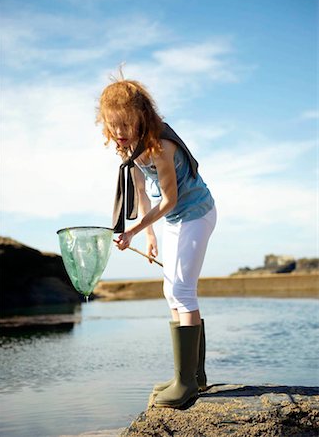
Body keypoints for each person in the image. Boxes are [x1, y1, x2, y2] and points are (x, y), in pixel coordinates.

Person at [97, 77, 217, 409]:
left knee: (182, 291)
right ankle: (194, 375)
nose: (119, 131)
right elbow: (142, 193)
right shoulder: (128, 148)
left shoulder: (160, 146)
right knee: (171, 291)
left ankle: (186, 383)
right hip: (177, 218)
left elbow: (168, 199)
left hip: (196, 213)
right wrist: (148, 235)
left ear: (142, 116)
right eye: (113, 125)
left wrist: (133, 233)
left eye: (125, 124)